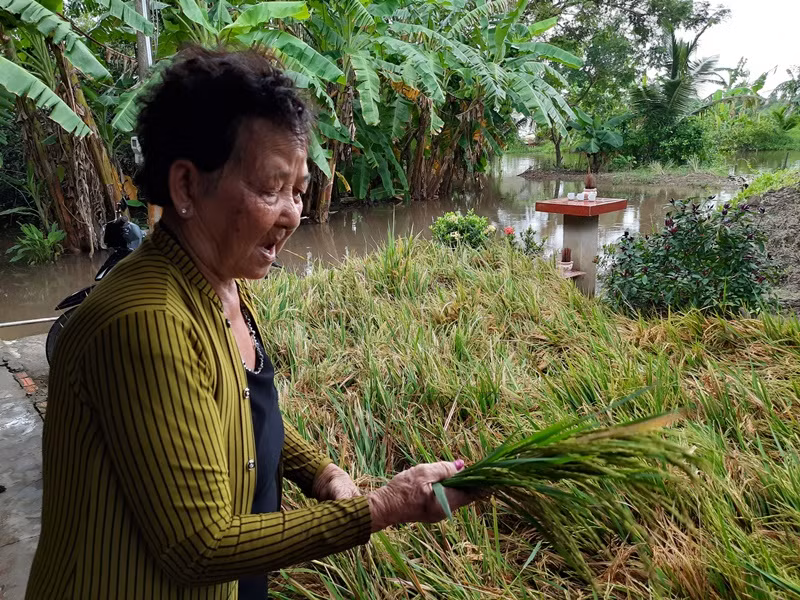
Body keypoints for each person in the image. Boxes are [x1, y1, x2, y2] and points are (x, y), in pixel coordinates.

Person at [26, 47, 476, 599]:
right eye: (270, 189)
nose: (292, 214)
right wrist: (381, 507)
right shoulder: (146, 323)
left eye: (298, 191)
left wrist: (317, 471)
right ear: (187, 187)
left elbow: (239, 411)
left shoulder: (221, 280)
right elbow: (199, 547)